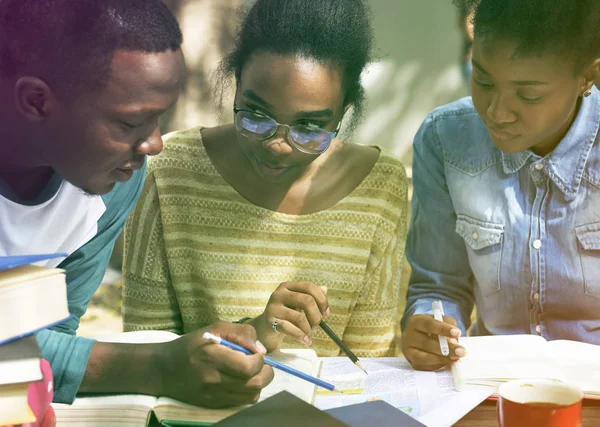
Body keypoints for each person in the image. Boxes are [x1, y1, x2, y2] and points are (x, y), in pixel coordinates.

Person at [0, 0, 273, 407]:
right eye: (129, 123)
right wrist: (157, 366)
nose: (154, 144)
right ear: (37, 102)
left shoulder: (112, 181)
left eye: (158, 118)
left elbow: (47, 332)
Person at [122, 0, 408, 358]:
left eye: (309, 127)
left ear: (344, 111)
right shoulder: (169, 172)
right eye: (256, 114)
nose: (277, 145)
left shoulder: (380, 186)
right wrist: (254, 333)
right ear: (237, 82)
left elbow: (366, 368)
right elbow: (147, 354)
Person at [401, 0, 600, 371]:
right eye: (484, 80)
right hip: (489, 391)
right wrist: (433, 329)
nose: (497, 112)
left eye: (529, 95)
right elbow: (438, 287)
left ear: (587, 77)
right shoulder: (444, 139)